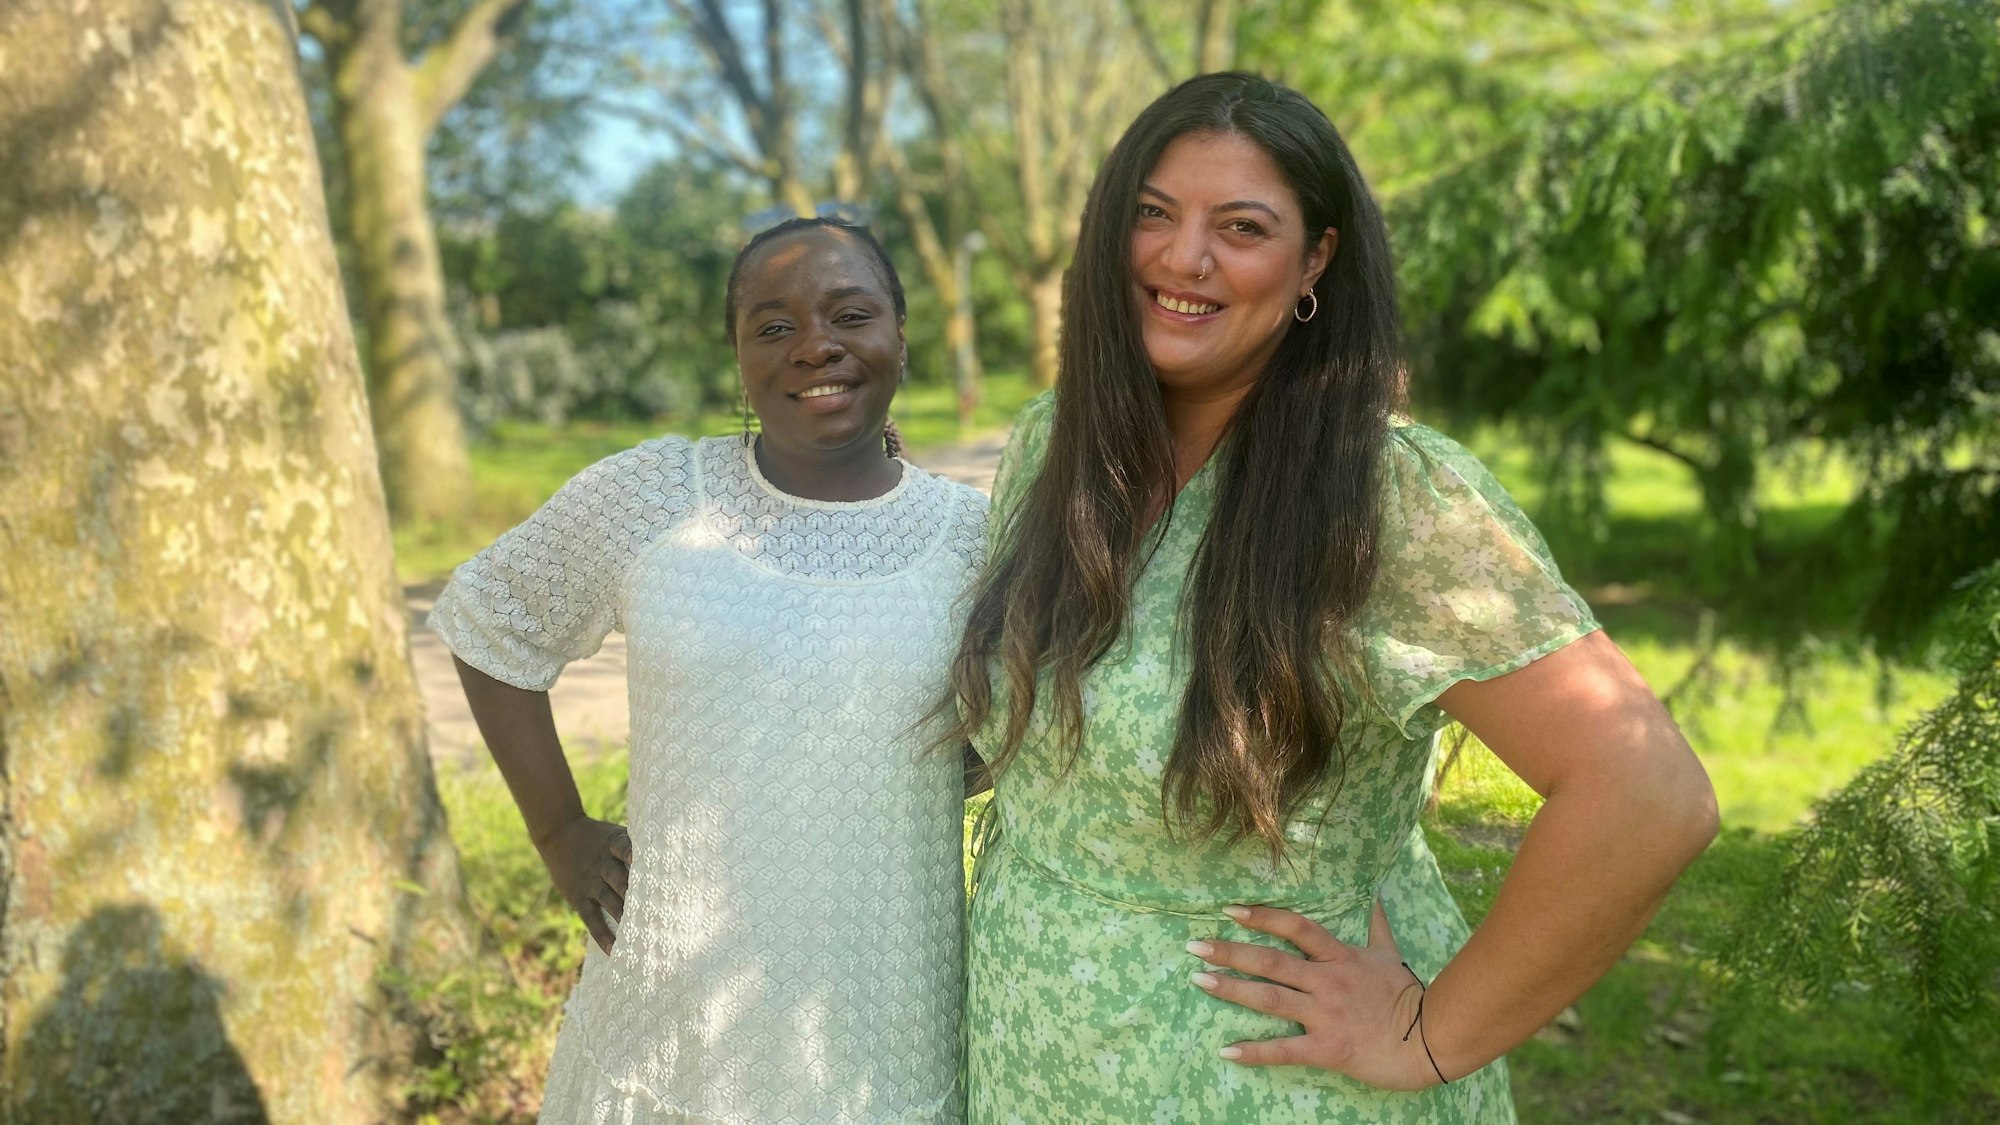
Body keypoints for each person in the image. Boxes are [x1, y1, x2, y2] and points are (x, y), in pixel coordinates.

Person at [939, 73, 1720, 1122]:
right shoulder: (1054, 446)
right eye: (1151, 215)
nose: (1182, 257)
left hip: (1266, 1082)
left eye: (1243, 226)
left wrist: (1425, 1033)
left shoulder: (1386, 497)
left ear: (1315, 262)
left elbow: (1646, 797)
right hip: (1035, 1060)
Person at [430, 217, 988, 1123]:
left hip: (883, 1019)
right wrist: (559, 831)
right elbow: (491, 618)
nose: (816, 346)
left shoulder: (974, 539)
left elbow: (1017, 732)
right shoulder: (653, 497)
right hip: (668, 1014)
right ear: (736, 354)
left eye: (850, 314)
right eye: (773, 327)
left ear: (899, 337)